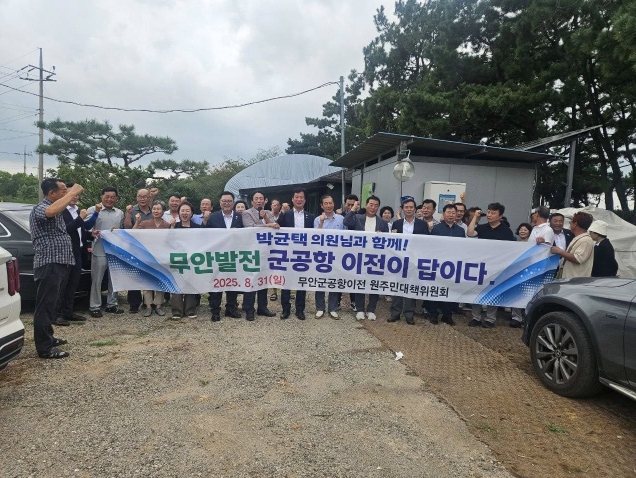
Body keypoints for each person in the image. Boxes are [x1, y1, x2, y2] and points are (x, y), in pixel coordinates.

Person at [29, 178, 84, 359]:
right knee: (45, 306)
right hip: (49, 263)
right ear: (51, 193)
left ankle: (49, 338)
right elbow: (50, 211)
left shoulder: (58, 208)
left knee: (51, 305)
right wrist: (73, 192)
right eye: (63, 190)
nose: (66, 193)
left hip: (58, 263)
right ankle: (44, 348)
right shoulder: (40, 208)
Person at [53, 184, 100, 326]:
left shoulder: (76, 210)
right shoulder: (60, 211)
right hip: (66, 253)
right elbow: (66, 229)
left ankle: (68, 312)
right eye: (71, 194)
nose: (75, 197)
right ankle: (56, 315)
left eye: (76, 194)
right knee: (62, 285)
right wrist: (80, 218)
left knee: (73, 284)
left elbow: (81, 229)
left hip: (78, 251)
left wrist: (90, 234)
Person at [467, 202, 515, 328]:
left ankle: (490, 319)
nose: (489, 215)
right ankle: (476, 317)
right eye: (488, 212)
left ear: (500, 216)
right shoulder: (482, 228)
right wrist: (475, 217)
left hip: (496, 266)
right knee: (477, 290)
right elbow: (470, 233)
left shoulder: (506, 231)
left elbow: (510, 249)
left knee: (492, 292)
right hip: (481, 265)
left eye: (493, 213)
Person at [344, 195, 389, 320]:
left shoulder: (382, 223)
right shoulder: (358, 218)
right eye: (371, 205)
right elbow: (346, 222)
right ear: (366, 205)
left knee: (374, 284)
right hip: (360, 256)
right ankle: (360, 309)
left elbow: (387, 241)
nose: (373, 207)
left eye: (376, 206)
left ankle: (371, 310)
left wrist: (382, 236)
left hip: (376, 257)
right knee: (360, 283)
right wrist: (353, 209)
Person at [510, 206, 554, 328]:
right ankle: (517, 318)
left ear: (537, 214)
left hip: (538, 267)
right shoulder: (535, 228)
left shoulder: (547, 230)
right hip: (528, 265)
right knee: (521, 291)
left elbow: (547, 248)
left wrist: (543, 242)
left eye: (534, 213)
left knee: (533, 294)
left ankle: (529, 319)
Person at [277, 188, 315, 320]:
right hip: (287, 253)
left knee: (301, 282)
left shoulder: (310, 216)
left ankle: (300, 309)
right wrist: (282, 212)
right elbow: (277, 226)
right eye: (296, 197)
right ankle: (285, 309)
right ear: (292, 199)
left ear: (305, 200)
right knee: (286, 282)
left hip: (303, 254)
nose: (299, 199)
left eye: (301, 197)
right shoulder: (286, 214)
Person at [206, 191, 244, 322]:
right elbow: (206, 235)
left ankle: (230, 309)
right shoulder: (213, 217)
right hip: (218, 256)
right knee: (217, 284)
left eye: (229, 201)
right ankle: (215, 310)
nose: (227, 203)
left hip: (234, 256)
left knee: (232, 283)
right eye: (224, 201)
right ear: (220, 202)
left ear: (233, 203)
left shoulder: (240, 217)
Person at [389, 198, 428, 325]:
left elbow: (426, 243)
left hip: (414, 260)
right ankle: (395, 313)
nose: (409, 209)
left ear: (415, 209)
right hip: (399, 260)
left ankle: (409, 314)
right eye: (406, 207)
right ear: (402, 209)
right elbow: (393, 242)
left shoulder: (422, 224)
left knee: (410, 287)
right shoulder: (397, 224)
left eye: (411, 207)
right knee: (397, 287)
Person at [87, 187, 125, 318]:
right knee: (97, 280)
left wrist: (117, 231)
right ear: (101, 197)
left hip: (115, 251)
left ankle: (112, 304)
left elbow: (122, 231)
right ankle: (94, 306)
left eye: (112, 197)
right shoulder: (92, 210)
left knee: (114, 279)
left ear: (116, 198)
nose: (109, 199)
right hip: (99, 250)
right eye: (107, 196)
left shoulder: (119, 213)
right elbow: (87, 228)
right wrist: (92, 233)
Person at [241, 191, 279, 321]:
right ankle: (249, 309)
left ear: (265, 200)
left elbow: (274, 226)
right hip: (251, 251)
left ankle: (262, 307)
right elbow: (250, 227)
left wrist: (266, 218)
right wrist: (268, 225)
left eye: (261, 198)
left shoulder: (268, 213)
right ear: (252, 201)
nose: (258, 201)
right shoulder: (246, 213)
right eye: (256, 198)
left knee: (264, 280)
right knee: (251, 280)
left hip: (266, 251)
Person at [123, 187, 158, 313]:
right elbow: (127, 227)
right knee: (134, 275)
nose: (142, 199)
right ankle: (134, 304)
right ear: (137, 197)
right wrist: (128, 213)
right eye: (140, 197)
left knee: (150, 274)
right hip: (135, 248)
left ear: (149, 198)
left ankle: (148, 302)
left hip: (151, 248)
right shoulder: (131, 210)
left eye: (145, 197)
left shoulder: (154, 210)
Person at [430, 204, 466, 325]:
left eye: (453, 213)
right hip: (439, 264)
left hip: (454, 265)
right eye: (448, 212)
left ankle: (447, 315)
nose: (451, 215)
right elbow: (433, 246)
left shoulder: (460, 231)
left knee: (450, 291)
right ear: (443, 214)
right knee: (436, 289)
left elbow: (462, 248)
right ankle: (434, 314)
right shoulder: (436, 229)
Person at [134, 200, 171, 316]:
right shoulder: (145, 223)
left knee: (160, 281)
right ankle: (148, 306)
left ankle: (159, 306)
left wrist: (173, 226)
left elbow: (172, 239)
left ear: (163, 211)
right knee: (148, 281)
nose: (156, 211)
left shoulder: (167, 225)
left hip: (161, 257)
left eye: (158, 209)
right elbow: (133, 233)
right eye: (154, 209)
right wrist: (137, 221)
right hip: (147, 256)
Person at [314, 194, 345, 319]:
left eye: (330, 203)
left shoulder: (341, 219)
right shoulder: (317, 219)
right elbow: (315, 237)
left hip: (337, 255)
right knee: (320, 281)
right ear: (322, 206)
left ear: (334, 204)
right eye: (325, 203)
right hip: (322, 255)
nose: (328, 205)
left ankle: (333, 308)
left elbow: (347, 236)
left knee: (334, 281)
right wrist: (321, 222)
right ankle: (320, 308)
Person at [169, 201, 200, 319]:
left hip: (192, 260)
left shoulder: (197, 227)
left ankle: (190, 310)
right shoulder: (174, 226)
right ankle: (177, 311)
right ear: (179, 213)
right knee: (176, 284)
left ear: (192, 213)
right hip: (177, 259)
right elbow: (168, 241)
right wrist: (171, 227)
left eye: (187, 210)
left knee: (190, 284)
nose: (185, 213)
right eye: (182, 210)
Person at [551, 211, 595, 278]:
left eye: (571, 222)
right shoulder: (578, 238)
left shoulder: (585, 240)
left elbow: (577, 259)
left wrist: (559, 251)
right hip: (569, 278)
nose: (570, 224)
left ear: (575, 224)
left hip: (575, 280)